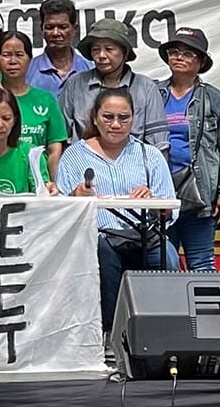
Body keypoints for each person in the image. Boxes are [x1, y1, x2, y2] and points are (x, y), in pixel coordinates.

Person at [56, 88, 179, 337]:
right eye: (108, 117)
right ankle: (109, 331)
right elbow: (60, 211)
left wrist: (154, 202)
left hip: (143, 233)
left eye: (123, 118)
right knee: (103, 255)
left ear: (133, 119)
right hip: (98, 235)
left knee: (168, 256)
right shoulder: (74, 155)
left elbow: (169, 211)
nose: (115, 124)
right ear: (95, 118)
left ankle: (162, 331)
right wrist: (75, 197)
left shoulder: (149, 155)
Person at [157, 27, 220, 271]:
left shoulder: (214, 99)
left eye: (188, 53)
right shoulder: (154, 94)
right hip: (162, 195)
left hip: (201, 194)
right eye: (174, 51)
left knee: (202, 265)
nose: (179, 57)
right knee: (162, 264)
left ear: (200, 62)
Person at [0, 31, 67, 179]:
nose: (13, 61)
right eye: (6, 55)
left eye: (19, 55)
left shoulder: (45, 100)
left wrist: (53, 184)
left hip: (34, 180)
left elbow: (54, 149)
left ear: (30, 59)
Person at [59, 18, 169, 154]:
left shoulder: (146, 88)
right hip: (82, 162)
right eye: (96, 49)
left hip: (132, 164)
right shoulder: (75, 84)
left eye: (109, 49)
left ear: (124, 52)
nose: (101, 55)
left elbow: (159, 144)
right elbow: (60, 136)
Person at [26, 0, 92, 98]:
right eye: (49, 27)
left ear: (74, 29)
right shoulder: (27, 71)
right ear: (42, 29)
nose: (55, 33)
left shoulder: (90, 70)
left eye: (63, 27)